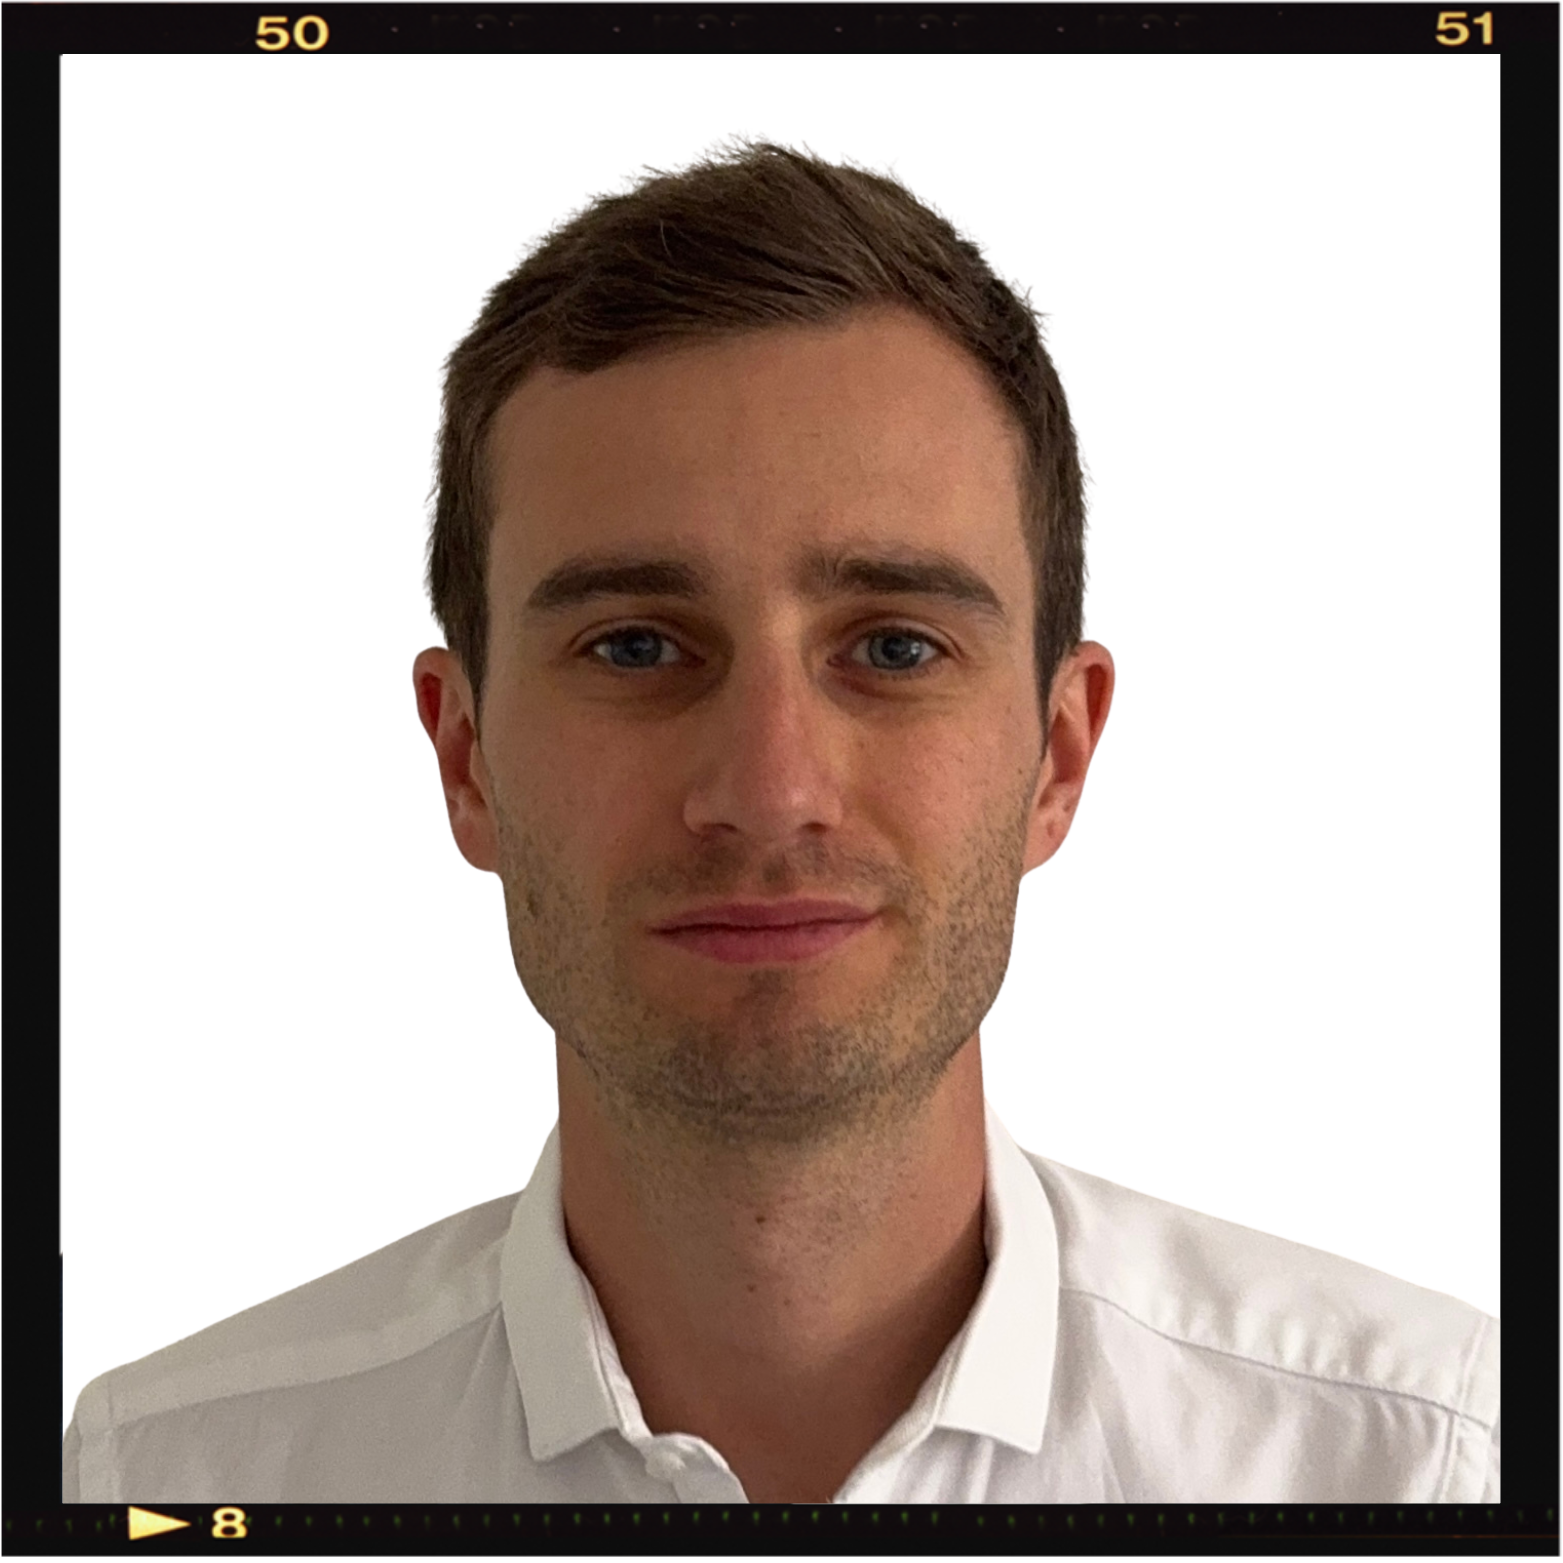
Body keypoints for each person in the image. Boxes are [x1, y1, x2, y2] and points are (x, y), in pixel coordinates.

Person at [62, 138, 1498, 1505]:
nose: (768, 788)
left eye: (893, 647)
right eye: (635, 646)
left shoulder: (1428, 1467)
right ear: (467, 757)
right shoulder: (167, 1482)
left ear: (1056, 755)